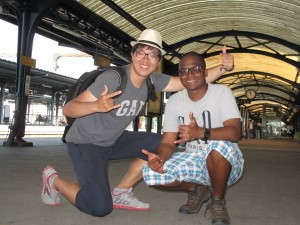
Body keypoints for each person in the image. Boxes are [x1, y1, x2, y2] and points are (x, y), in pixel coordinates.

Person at [41, 29, 235, 217]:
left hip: (114, 139)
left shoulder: (152, 80)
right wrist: (96, 106)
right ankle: (53, 180)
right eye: (140, 53)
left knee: (160, 143)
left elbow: (188, 79)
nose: (145, 60)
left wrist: (223, 67)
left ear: (158, 61)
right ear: (132, 55)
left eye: (152, 55)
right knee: (99, 207)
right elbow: (69, 109)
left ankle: (121, 192)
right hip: (86, 142)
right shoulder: (113, 78)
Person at [142, 52, 244, 225]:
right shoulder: (174, 102)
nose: (190, 75)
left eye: (195, 69)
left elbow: (235, 133)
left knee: (217, 146)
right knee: (150, 173)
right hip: (194, 161)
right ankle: (198, 189)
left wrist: (200, 133)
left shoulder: (221, 93)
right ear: (180, 76)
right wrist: (160, 159)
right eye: (184, 71)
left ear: (205, 72)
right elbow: (168, 142)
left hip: (226, 163)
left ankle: (217, 201)